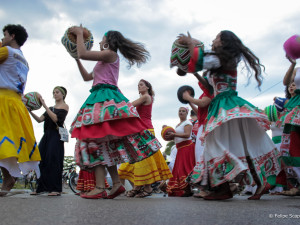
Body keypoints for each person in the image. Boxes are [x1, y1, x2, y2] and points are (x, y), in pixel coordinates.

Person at [178, 30, 280, 200]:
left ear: (224, 42)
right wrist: (194, 52)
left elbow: (198, 61)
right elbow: (210, 88)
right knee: (227, 144)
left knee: (218, 144)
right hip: (222, 104)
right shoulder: (220, 60)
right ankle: (229, 187)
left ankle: (228, 188)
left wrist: (191, 43)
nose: (213, 39)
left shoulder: (223, 59)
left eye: (217, 37)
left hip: (227, 105)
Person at [69, 27, 161, 199]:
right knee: (104, 141)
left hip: (105, 97)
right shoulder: (103, 60)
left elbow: (83, 52)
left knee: (93, 137)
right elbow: (87, 77)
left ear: (109, 41)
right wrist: (76, 59)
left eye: (102, 38)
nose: (99, 41)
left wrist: (80, 35)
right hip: (100, 95)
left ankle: (99, 186)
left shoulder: (111, 54)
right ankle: (117, 184)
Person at [0, 24, 41, 196]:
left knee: (4, 140)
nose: (2, 38)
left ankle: (8, 177)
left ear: (12, 36)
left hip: (3, 100)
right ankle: (8, 177)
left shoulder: (6, 51)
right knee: (8, 142)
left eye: (4, 35)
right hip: (16, 103)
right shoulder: (24, 60)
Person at [118, 79, 172, 198]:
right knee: (138, 161)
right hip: (140, 131)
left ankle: (143, 188)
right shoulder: (145, 98)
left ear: (147, 87)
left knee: (142, 161)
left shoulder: (146, 97)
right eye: (138, 85)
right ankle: (141, 187)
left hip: (145, 131)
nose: (139, 87)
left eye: (141, 85)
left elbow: (129, 106)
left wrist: (118, 97)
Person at [29, 86, 69, 196]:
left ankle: (55, 189)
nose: (55, 94)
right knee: (41, 159)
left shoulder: (64, 106)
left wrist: (45, 106)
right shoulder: (50, 108)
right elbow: (39, 120)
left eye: (57, 92)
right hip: (46, 135)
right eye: (54, 92)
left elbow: (56, 119)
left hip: (56, 135)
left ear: (63, 94)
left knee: (53, 160)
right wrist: (30, 111)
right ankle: (41, 188)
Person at [279, 56, 300, 196]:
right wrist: (292, 64)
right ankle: (296, 185)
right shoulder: (297, 70)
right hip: (296, 107)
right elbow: (286, 82)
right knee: (292, 147)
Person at [165, 107, 196, 197]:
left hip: (187, 147)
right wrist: (169, 136)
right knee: (180, 169)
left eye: (183, 111)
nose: (181, 112)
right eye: (180, 111)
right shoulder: (178, 125)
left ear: (187, 114)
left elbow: (187, 135)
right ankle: (185, 189)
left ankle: (188, 187)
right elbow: (176, 137)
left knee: (186, 168)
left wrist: (174, 134)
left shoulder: (188, 123)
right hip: (180, 148)